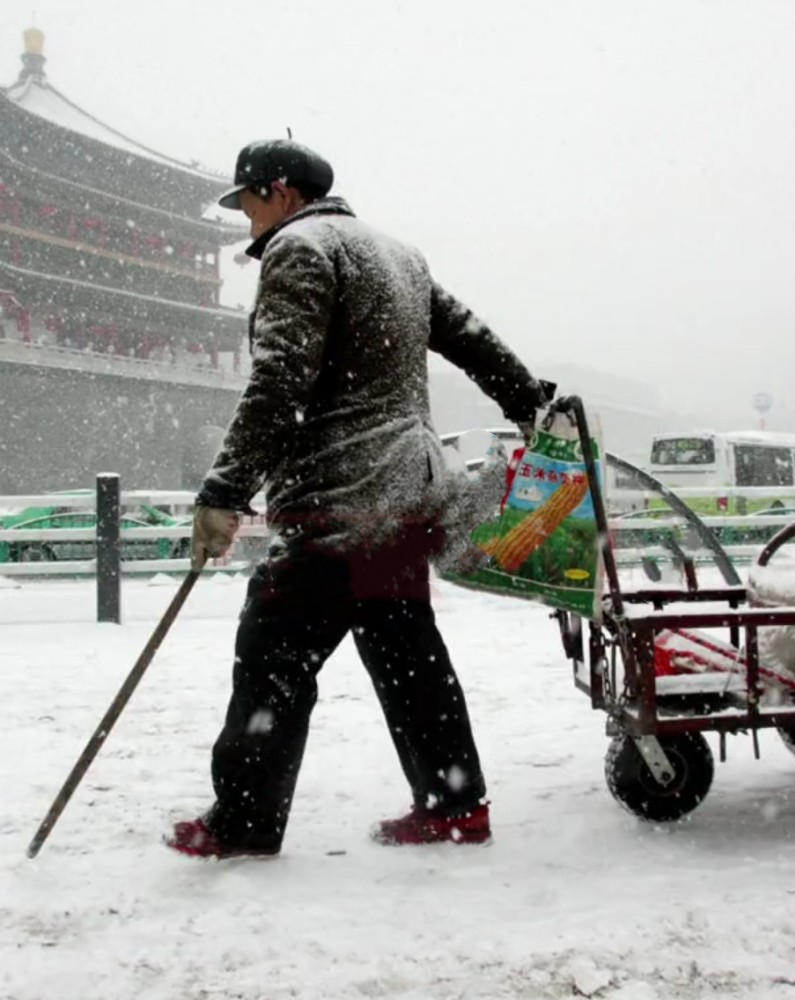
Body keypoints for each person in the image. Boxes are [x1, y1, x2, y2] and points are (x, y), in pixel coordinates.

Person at [165, 139, 549, 858]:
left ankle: (244, 823)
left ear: (278, 192)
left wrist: (225, 489)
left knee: (273, 653)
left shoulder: (301, 248)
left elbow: (279, 382)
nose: (245, 219)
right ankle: (453, 803)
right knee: (404, 649)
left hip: (339, 498)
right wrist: (531, 402)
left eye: (246, 200)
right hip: (405, 495)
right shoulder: (396, 255)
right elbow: (470, 338)